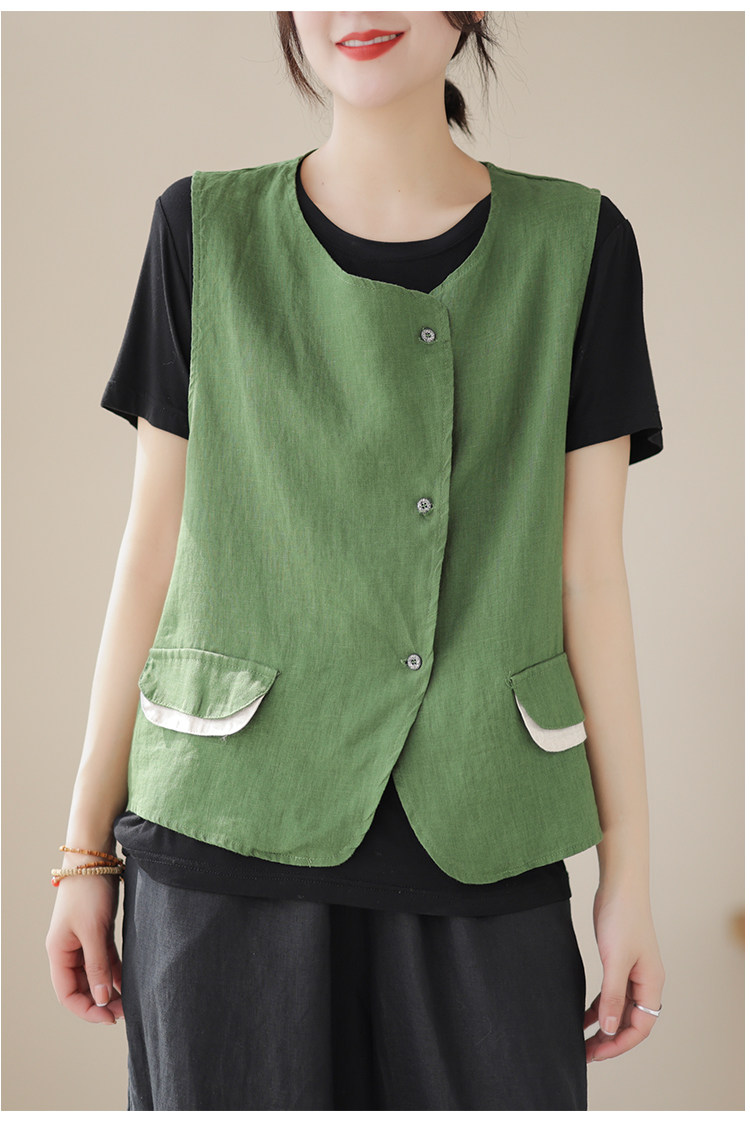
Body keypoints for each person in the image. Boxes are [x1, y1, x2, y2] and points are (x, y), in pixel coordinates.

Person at [45, 11, 666, 1111]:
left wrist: (630, 877)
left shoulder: (578, 245)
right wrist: (83, 854)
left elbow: (591, 579)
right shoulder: (201, 231)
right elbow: (150, 555)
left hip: (487, 838)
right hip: (221, 844)